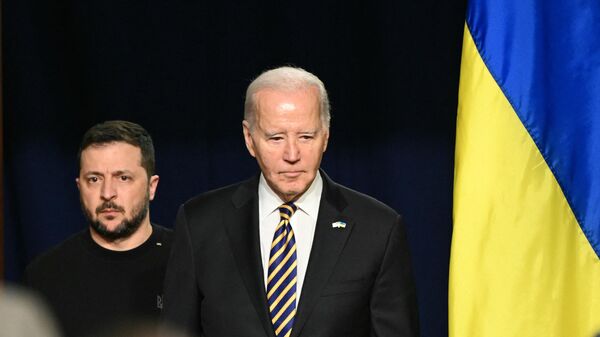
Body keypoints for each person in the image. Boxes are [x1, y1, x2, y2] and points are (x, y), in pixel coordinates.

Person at [162, 66, 419, 337]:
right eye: (276, 138)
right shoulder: (200, 224)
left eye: (306, 136)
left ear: (326, 136)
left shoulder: (378, 229)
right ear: (250, 139)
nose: (292, 154)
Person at [25, 120, 173, 337]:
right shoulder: (45, 274)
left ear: (152, 187)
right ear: (79, 187)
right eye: (94, 179)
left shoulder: (185, 262)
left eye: (123, 178)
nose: (107, 193)